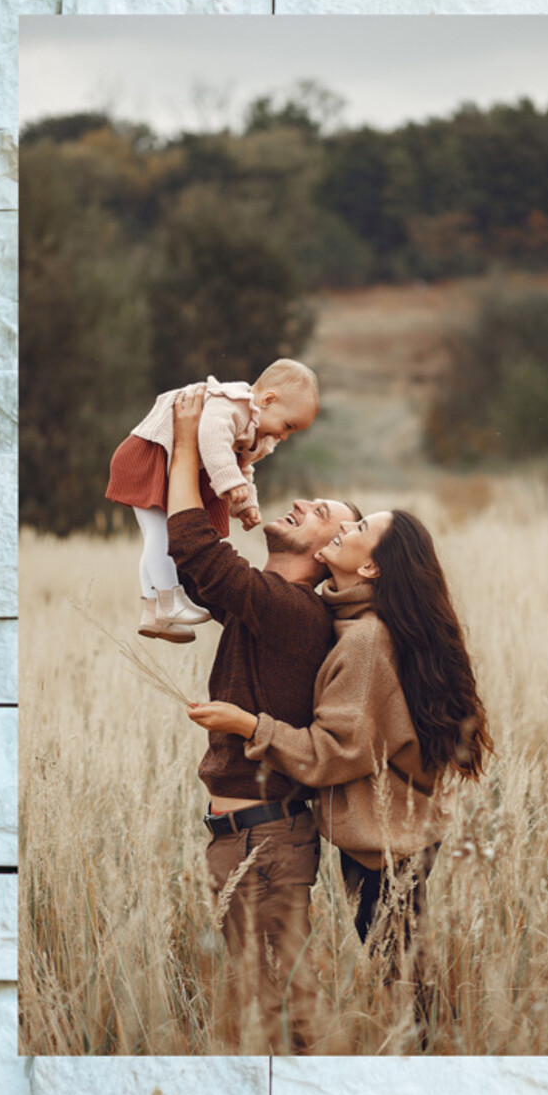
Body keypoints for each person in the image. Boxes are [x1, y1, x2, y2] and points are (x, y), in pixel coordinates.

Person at [188, 507, 490, 1024]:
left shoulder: (366, 640)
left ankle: (434, 1061)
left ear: (371, 569)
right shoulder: (349, 622)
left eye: (357, 529)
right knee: (404, 972)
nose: (343, 531)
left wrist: (248, 725)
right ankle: (431, 1048)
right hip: (389, 839)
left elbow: (336, 752)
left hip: (388, 848)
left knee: (405, 981)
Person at [164, 382, 359, 1051]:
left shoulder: (296, 613)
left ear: (330, 550)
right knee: (256, 1008)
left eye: (320, 512)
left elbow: (198, 552)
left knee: (288, 1015)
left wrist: (189, 442)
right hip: (239, 835)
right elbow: (200, 575)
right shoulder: (270, 602)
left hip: (268, 841)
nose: (300, 501)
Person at [105, 361, 320, 641]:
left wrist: (245, 504)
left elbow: (243, 467)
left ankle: (153, 611)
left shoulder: (259, 432)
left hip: (172, 464)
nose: (284, 436)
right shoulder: (230, 404)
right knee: (161, 534)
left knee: (155, 535)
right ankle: (170, 600)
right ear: (268, 400)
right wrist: (229, 482)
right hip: (152, 455)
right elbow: (212, 439)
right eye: (287, 425)